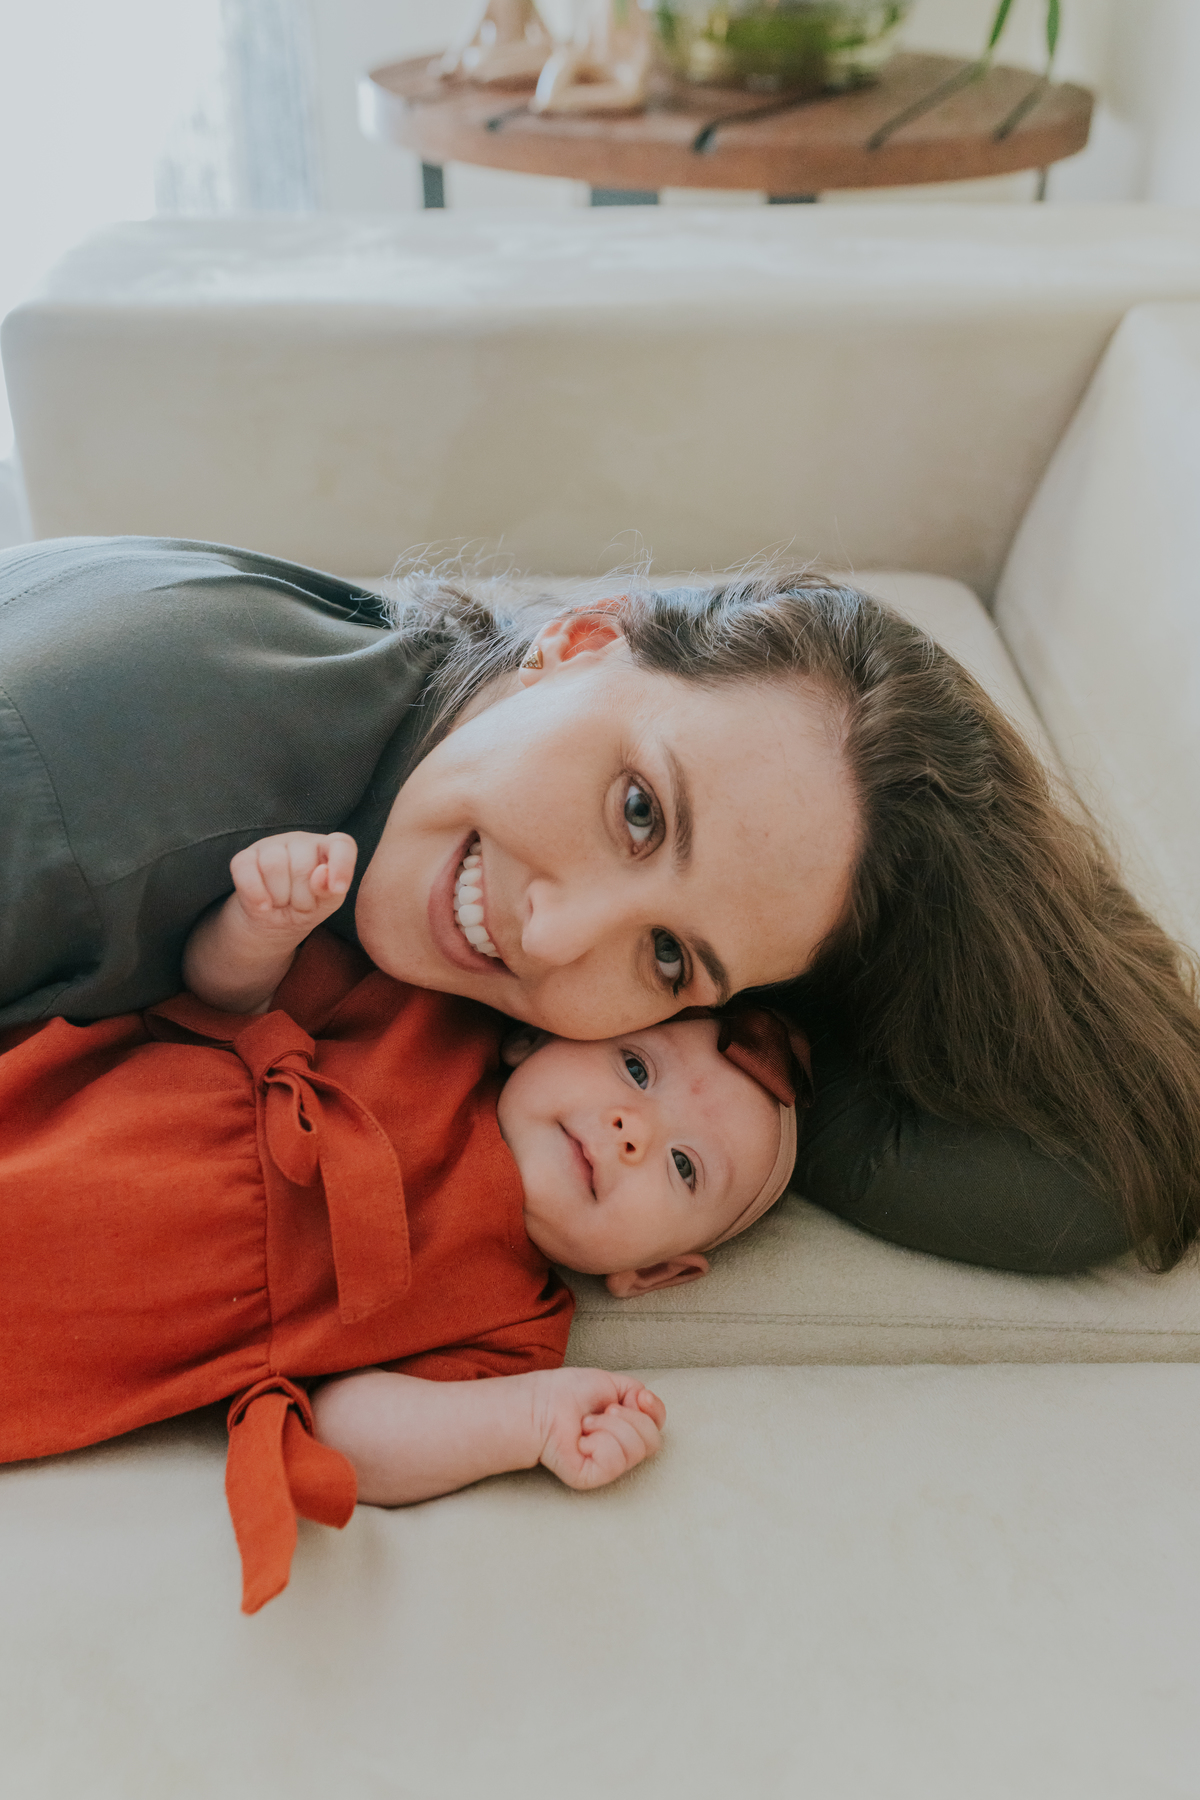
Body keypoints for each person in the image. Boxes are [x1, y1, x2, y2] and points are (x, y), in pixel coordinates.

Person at [2, 536, 1199, 1276]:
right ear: (580, 641)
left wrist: (748, 1081)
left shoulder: (421, 702)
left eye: (671, 958)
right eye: (639, 811)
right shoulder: (92, 818)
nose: (557, 940)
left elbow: (1100, 1173)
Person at [0, 828, 807, 1614]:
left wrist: (526, 1422)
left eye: (684, 1167)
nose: (635, 1129)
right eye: (635, 1068)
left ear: (655, 1273)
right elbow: (222, 997)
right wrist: (262, 929)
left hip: (74, 1349)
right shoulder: (424, 1014)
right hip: (58, 1118)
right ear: (539, 1037)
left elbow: (349, 1432)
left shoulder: (516, 1325)